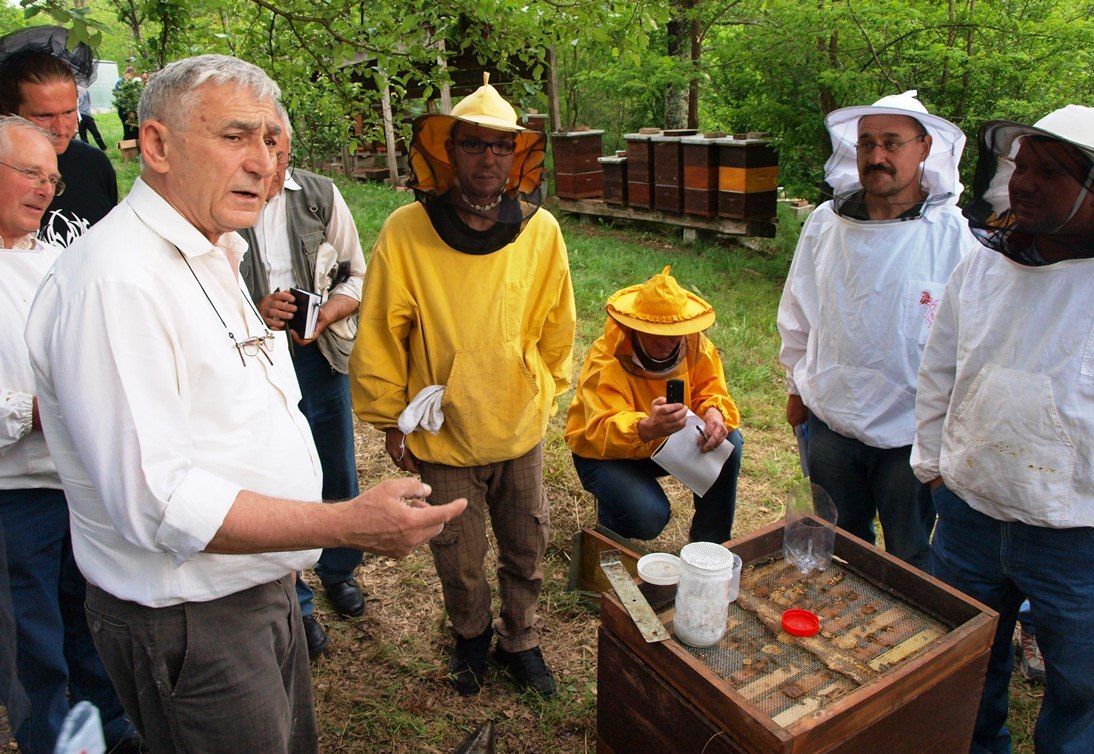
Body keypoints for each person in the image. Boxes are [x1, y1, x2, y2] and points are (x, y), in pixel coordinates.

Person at [23, 54, 466, 753]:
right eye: (235, 136)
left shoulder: (212, 248)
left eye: (269, 139)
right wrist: (345, 523)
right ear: (158, 145)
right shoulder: (118, 283)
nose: (263, 161)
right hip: (192, 619)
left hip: (254, 589)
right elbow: (161, 504)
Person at [351, 74, 575, 698]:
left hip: (516, 426)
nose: (488, 158)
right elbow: (379, 333)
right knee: (457, 552)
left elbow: (558, 322)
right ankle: (472, 637)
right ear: (449, 152)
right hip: (441, 432)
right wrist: (389, 420)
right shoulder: (405, 230)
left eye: (501, 147)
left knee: (527, 543)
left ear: (517, 156)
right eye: (474, 145)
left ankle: (521, 638)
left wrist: (543, 392)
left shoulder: (542, 231)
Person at [912, 105, 1094, 754]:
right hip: (968, 513)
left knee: (1081, 691)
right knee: (964, 668)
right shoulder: (983, 265)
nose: (1024, 182)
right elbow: (940, 370)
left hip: (1077, 535)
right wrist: (932, 467)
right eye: (1021, 165)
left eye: (1051, 172)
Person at [776, 90, 977, 570]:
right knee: (839, 542)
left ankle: (911, 641)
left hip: (910, 435)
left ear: (925, 148)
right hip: (829, 420)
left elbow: (969, 340)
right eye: (866, 144)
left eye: (892, 143)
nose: (877, 156)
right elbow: (798, 310)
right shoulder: (825, 224)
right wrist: (794, 388)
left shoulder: (953, 236)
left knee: (910, 551)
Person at [0, 116, 137, 753]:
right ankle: (54, 742)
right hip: (12, 495)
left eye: (52, 179)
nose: (46, 189)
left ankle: (112, 728)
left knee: (91, 620)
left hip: (76, 483)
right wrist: (37, 408)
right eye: (30, 172)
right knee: (32, 641)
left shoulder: (61, 261)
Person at [239, 105, 368, 659]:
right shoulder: (221, 199)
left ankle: (338, 568)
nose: (268, 164)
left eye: (279, 150)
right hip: (251, 363)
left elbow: (359, 275)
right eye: (258, 148)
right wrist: (255, 312)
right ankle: (296, 598)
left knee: (335, 465)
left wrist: (325, 316)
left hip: (317, 359)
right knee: (273, 476)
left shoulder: (319, 194)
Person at [565, 266, 743, 543]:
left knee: (729, 441)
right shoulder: (607, 358)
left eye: (675, 331)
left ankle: (709, 546)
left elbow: (711, 388)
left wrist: (713, 411)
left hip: (666, 444)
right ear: (635, 327)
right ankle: (611, 524)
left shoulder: (694, 344)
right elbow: (599, 428)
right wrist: (645, 427)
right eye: (656, 332)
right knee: (647, 517)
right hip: (606, 455)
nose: (668, 341)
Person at [0, 27, 117, 249]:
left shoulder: (95, 166)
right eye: (44, 116)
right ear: (9, 112)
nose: (61, 128)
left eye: (69, 112)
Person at [76, 85, 105, 150]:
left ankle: (103, 148)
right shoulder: (76, 90)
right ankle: (89, 150)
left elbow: (88, 102)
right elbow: (89, 102)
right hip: (80, 114)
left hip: (84, 114)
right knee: (85, 134)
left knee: (93, 132)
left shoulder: (83, 90)